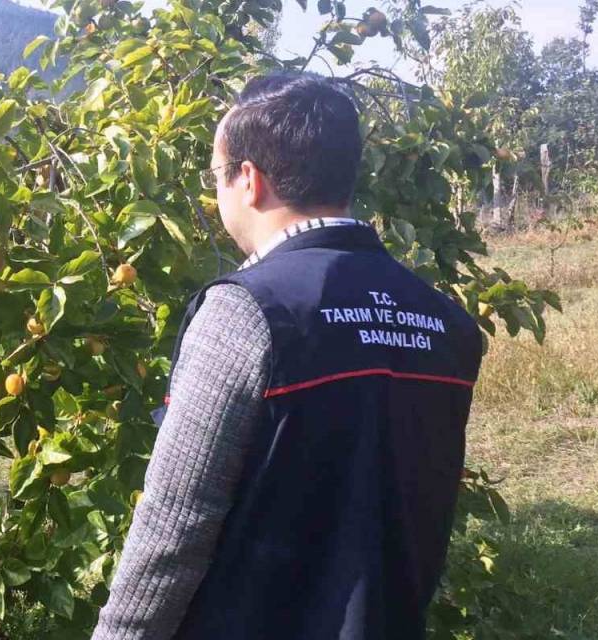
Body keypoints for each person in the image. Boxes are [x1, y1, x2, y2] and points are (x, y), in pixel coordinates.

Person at [93, 73, 483, 639]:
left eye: (216, 176)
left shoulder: (246, 313)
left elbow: (173, 526)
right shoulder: (443, 322)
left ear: (248, 180)